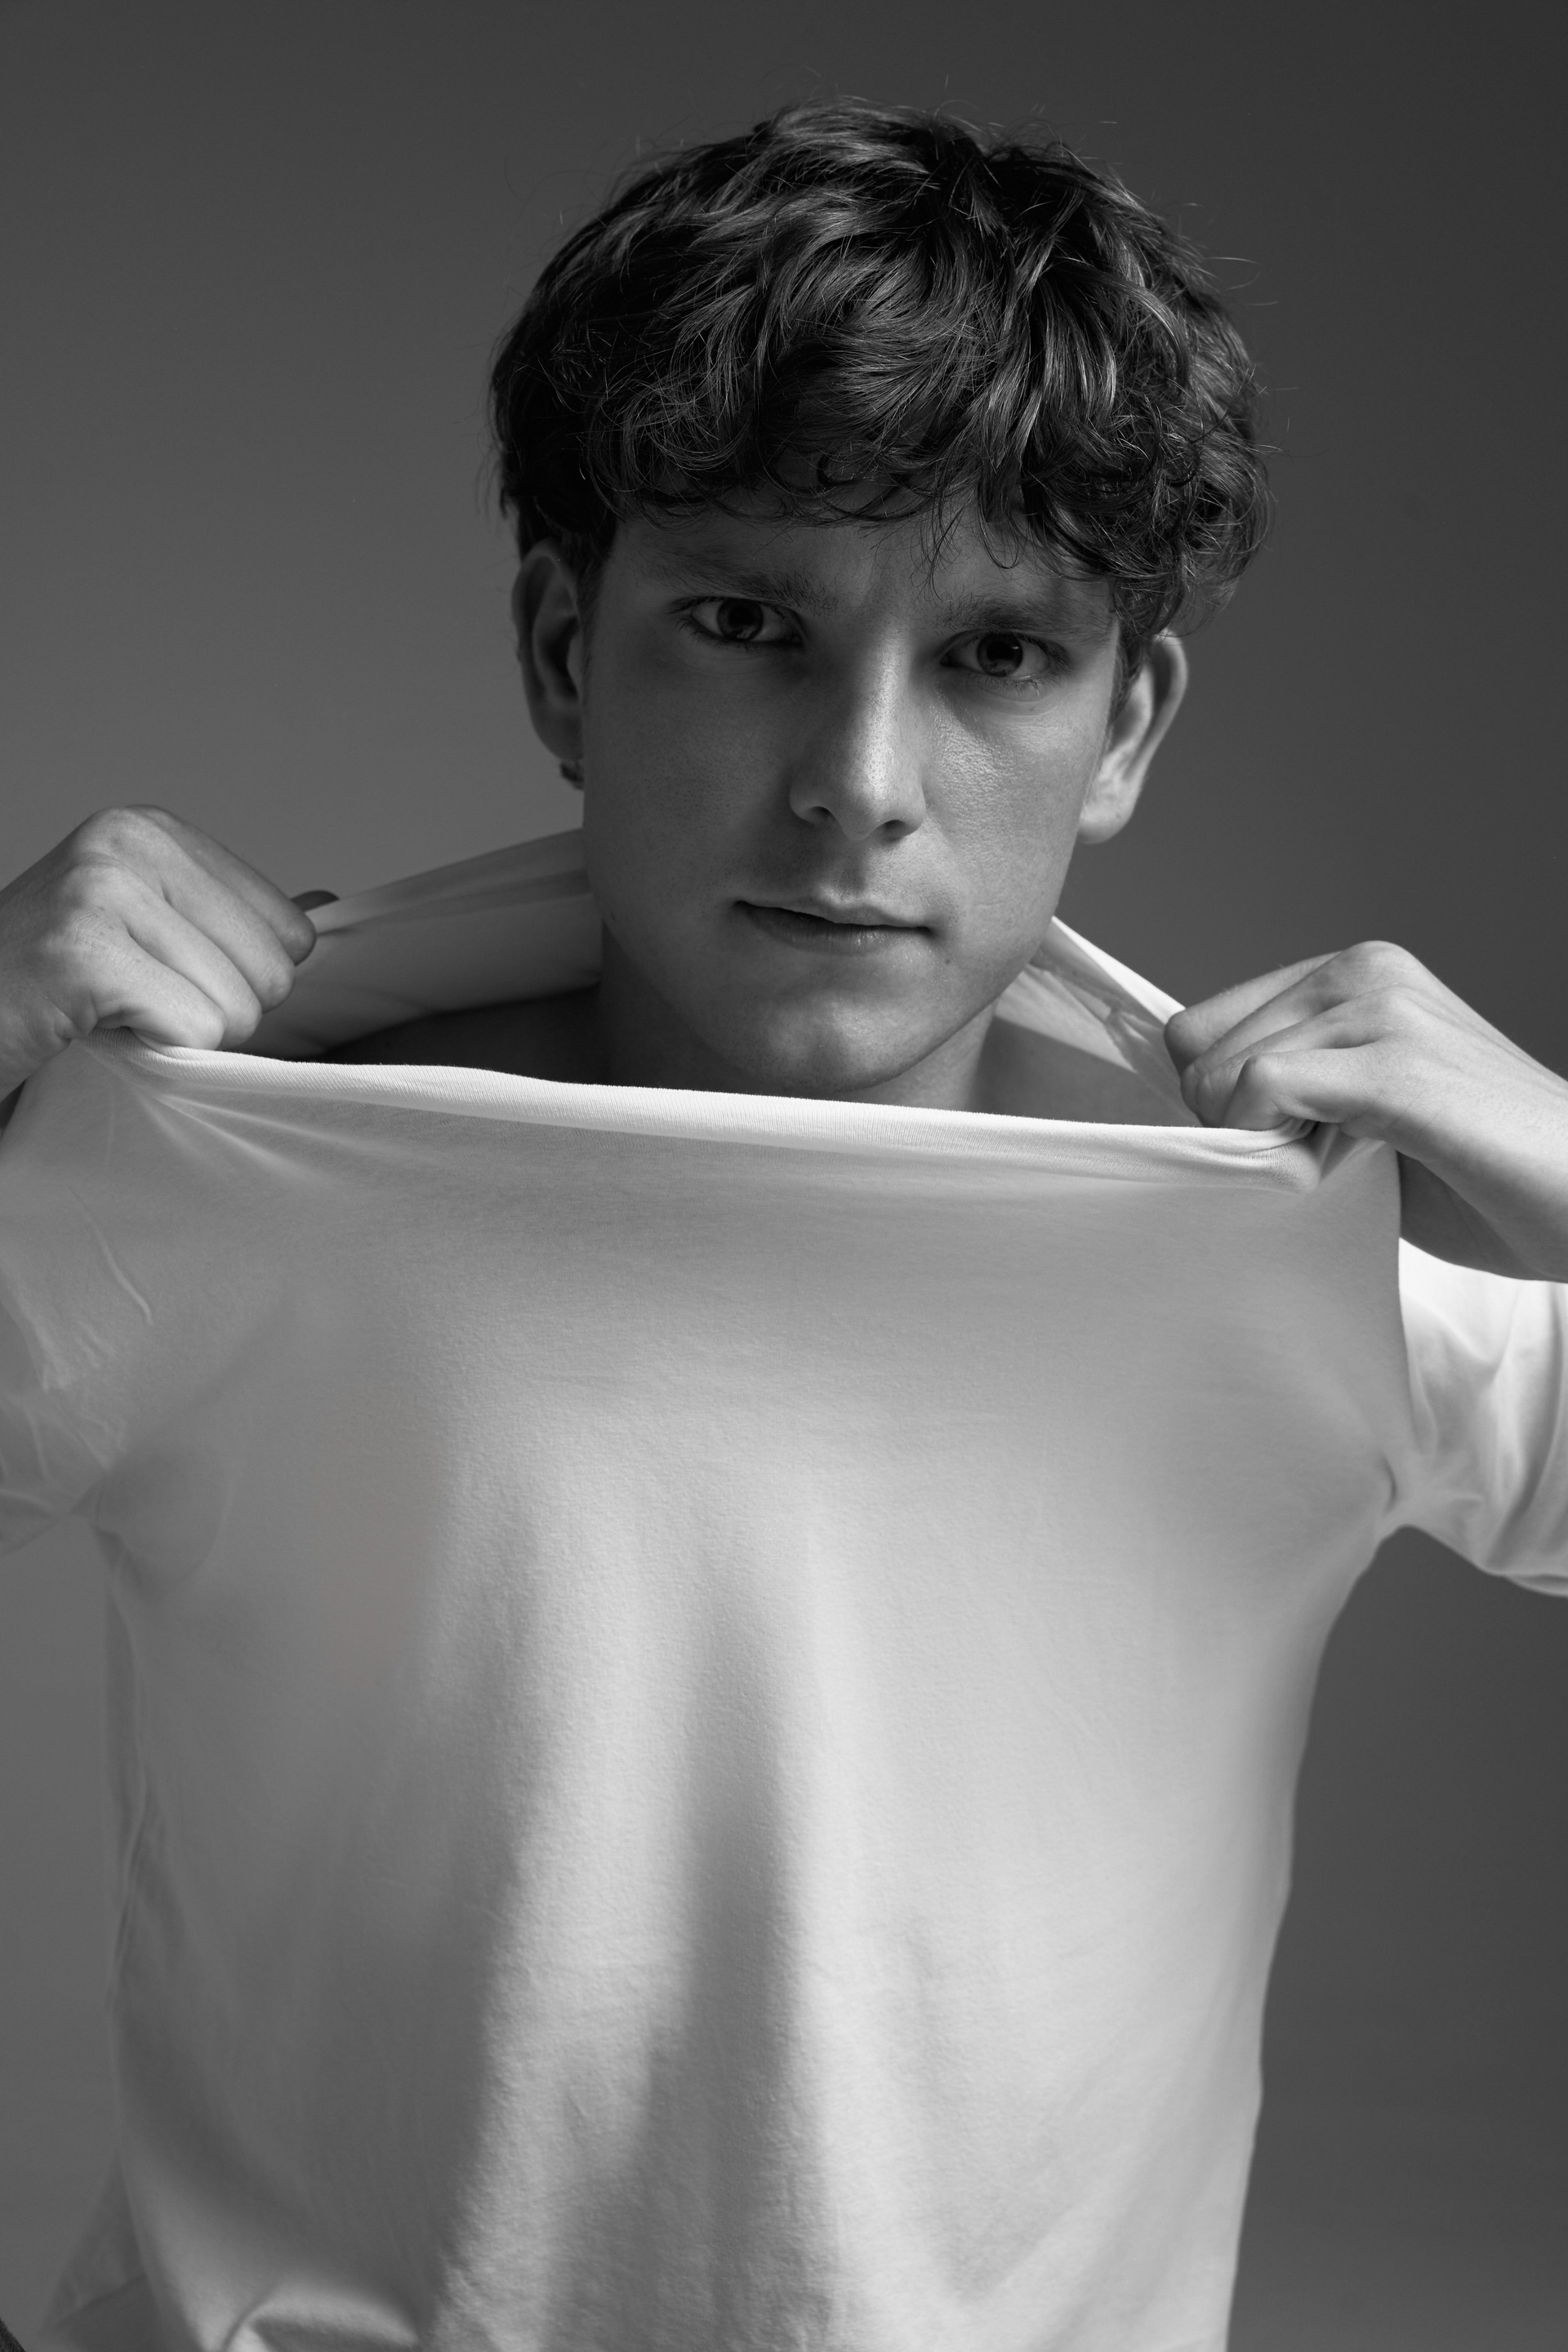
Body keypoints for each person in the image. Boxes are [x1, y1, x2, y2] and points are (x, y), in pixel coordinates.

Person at [0, 100, 1564, 2352]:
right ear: (567, 653)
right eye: (746, 623)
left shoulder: (1251, 1249)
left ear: (1129, 726)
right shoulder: (227, 1173)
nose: (859, 785)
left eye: (1000, 657)